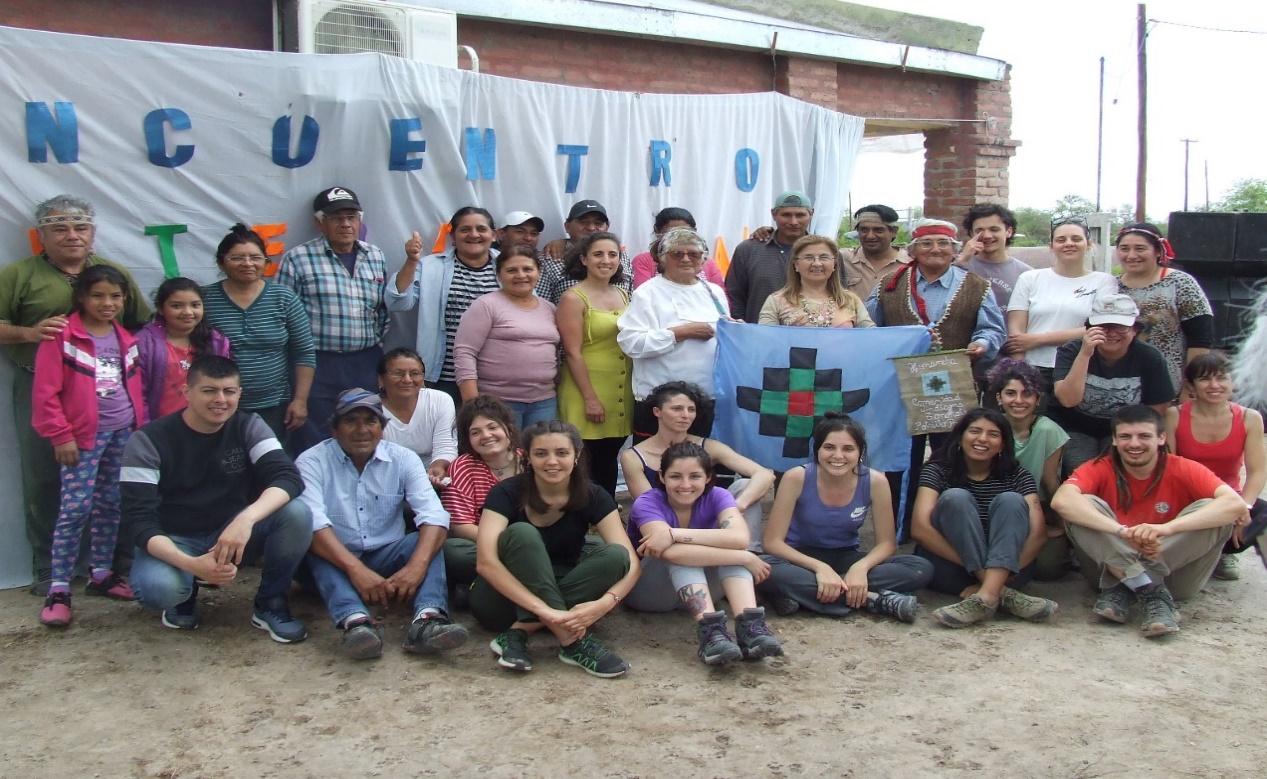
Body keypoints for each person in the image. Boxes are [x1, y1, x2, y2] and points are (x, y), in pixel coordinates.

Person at [0, 194, 149, 594]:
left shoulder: (112, 274)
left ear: (92, 232)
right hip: (41, 385)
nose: (72, 235)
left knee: (114, 486)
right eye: (60, 228)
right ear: (41, 235)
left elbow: (141, 324)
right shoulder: (19, 275)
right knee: (44, 477)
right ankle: (50, 571)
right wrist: (28, 333)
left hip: (110, 394)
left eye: (81, 227)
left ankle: (111, 566)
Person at [123, 356, 313, 642]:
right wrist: (192, 565)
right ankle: (184, 593)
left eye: (229, 391)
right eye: (209, 391)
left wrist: (246, 519)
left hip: (231, 534)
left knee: (297, 513)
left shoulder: (248, 425)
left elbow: (288, 477)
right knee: (160, 589)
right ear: (187, 392)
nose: (220, 400)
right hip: (174, 538)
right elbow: (138, 521)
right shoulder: (148, 440)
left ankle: (271, 602)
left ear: (239, 394)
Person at [298, 388, 468, 660]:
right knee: (315, 544)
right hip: (336, 559)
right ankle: (355, 622)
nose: (362, 430)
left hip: (386, 554)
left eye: (371, 421)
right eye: (351, 421)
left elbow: (434, 515)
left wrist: (416, 566)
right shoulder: (311, 461)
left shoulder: (404, 459)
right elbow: (314, 524)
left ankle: (427, 620)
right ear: (334, 429)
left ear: (382, 427)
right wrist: (355, 570)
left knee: (427, 541)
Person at [1052, 405, 1245, 637]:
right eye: (1125, 436)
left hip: (1172, 577)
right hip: (1108, 570)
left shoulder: (1183, 467)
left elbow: (1234, 504)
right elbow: (1061, 500)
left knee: (1213, 511)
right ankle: (1150, 591)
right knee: (1082, 506)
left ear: (1161, 438)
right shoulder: (1100, 467)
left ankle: (1131, 583)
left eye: (1144, 436)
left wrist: (1166, 529)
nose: (1134, 444)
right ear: (1114, 440)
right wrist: (1122, 532)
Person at [866, 218, 1007, 532]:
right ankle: (899, 527)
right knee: (902, 457)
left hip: (953, 386)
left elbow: (993, 330)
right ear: (913, 250)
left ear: (955, 250)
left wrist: (982, 344)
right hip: (900, 387)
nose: (936, 249)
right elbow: (869, 329)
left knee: (952, 454)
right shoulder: (889, 284)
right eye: (927, 243)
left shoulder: (976, 286)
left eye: (943, 243)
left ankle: (945, 526)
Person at [471, 421, 639, 678]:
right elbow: (486, 563)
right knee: (522, 533)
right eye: (541, 453)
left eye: (561, 453)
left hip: (563, 587)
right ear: (527, 457)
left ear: (576, 455)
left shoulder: (593, 495)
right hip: (502, 600)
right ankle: (572, 642)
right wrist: (544, 611)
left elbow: (633, 564)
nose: (552, 461)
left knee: (616, 556)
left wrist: (604, 604)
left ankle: (519, 631)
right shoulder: (505, 492)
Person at [32, 266, 148, 626]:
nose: (107, 303)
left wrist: (138, 429)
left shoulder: (125, 338)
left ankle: (101, 573)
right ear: (81, 297)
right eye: (97, 295)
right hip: (81, 438)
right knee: (75, 508)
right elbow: (45, 393)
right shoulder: (62, 337)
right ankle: (59, 588)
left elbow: (135, 388)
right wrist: (61, 434)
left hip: (122, 433)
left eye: (115, 296)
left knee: (111, 502)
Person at [759, 413, 933, 621]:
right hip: (799, 559)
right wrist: (820, 568)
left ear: (860, 452)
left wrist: (860, 568)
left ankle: (803, 594)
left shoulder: (876, 482)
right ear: (817, 450)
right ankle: (871, 599)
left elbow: (887, 544)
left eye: (848, 449)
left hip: (845, 557)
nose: (838, 456)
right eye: (829, 447)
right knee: (763, 567)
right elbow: (772, 543)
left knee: (920, 568)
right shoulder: (796, 477)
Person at [625, 442, 783, 664]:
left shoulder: (718, 496)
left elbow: (739, 539)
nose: (685, 485)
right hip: (650, 591)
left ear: (708, 477)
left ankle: (750, 627)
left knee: (721, 550)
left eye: (695, 476)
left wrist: (673, 533)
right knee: (684, 555)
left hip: (700, 588)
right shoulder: (648, 502)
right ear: (661, 477)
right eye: (675, 476)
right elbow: (670, 554)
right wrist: (745, 557)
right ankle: (710, 632)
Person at [911, 408, 1057, 628]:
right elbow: (920, 529)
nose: (982, 439)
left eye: (993, 434)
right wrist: (987, 576)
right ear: (960, 437)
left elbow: (1037, 534)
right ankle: (998, 593)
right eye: (975, 431)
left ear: (1003, 444)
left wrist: (1000, 573)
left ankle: (985, 596)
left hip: (1010, 567)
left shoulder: (1018, 475)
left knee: (1011, 500)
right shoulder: (937, 470)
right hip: (951, 565)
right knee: (956, 498)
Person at [276, 187, 389, 451]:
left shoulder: (375, 256)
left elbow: (383, 311)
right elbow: (283, 316)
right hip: (316, 363)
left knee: (364, 429)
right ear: (320, 223)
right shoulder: (298, 258)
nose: (346, 224)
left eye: (351, 217)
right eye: (337, 218)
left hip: (365, 360)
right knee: (314, 433)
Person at [619, 381, 774, 550]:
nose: (685, 415)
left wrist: (738, 506)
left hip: (707, 521)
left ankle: (750, 550)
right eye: (677, 409)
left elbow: (764, 474)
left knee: (744, 485)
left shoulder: (709, 446)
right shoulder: (633, 457)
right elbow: (649, 504)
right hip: (663, 528)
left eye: (691, 409)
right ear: (657, 411)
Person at [203, 224, 316, 442]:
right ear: (221, 262)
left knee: (270, 459)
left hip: (275, 405)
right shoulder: (205, 299)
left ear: (266, 262)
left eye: (255, 257)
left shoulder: (283, 298)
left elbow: (304, 352)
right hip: (218, 405)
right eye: (237, 258)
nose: (247, 264)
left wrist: (300, 400)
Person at [617, 226, 729, 438]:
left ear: (703, 259)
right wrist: (680, 333)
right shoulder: (647, 293)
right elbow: (631, 343)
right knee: (658, 458)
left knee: (699, 457)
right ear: (662, 259)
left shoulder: (714, 292)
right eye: (677, 254)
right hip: (661, 401)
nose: (686, 259)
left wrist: (735, 330)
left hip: (705, 399)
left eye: (693, 254)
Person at [1164, 352, 1266, 582]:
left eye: (1221, 378)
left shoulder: (1250, 418)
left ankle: (1223, 553)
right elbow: (1168, 466)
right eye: (1205, 379)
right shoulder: (1174, 416)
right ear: (1191, 386)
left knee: (1262, 515)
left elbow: (1257, 472)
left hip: (1229, 497)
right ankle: (1189, 556)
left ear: (1233, 381)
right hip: (1186, 497)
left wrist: (1244, 506)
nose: (1214, 385)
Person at [1050, 291, 1174, 474]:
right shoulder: (1072, 350)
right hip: (1076, 427)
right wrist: (1085, 354)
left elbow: (1157, 409)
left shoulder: (1150, 357)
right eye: (1103, 327)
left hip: (1126, 429)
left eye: (1120, 327)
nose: (1111, 333)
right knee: (1083, 471)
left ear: (1135, 330)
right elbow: (1068, 400)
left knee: (1119, 470)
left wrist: (1131, 437)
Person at [388, 207, 500, 407]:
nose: (474, 234)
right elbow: (397, 303)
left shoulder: (509, 265)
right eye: (465, 229)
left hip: (497, 376)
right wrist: (411, 261)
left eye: (481, 229)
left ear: (494, 235)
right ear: (453, 237)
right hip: (444, 377)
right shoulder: (430, 266)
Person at [556, 232, 634, 497]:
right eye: (598, 254)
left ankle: (606, 511)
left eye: (612, 255)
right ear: (584, 259)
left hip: (619, 389)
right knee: (586, 461)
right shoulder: (573, 298)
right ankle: (584, 512)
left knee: (609, 457)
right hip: (586, 388)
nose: (606, 260)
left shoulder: (623, 293)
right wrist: (590, 398)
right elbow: (572, 352)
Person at [454, 244, 560, 429]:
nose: (521, 275)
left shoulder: (550, 308)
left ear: (539, 272)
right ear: (499, 275)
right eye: (512, 270)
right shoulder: (486, 305)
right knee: (505, 449)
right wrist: (473, 405)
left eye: (527, 269)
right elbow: (464, 352)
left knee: (541, 448)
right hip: (497, 402)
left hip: (544, 402)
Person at [1005, 217, 1116, 385]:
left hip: (1080, 367)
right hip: (1033, 369)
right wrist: (1020, 372)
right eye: (1061, 240)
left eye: (1076, 239)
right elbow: (1016, 334)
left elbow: (1099, 329)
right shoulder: (1029, 278)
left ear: (1089, 244)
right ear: (1051, 246)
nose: (1069, 243)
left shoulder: (1104, 281)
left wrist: (1038, 339)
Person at [986, 360, 1070, 580]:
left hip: (1037, 508)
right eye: (1010, 393)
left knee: (1049, 569)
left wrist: (1061, 526)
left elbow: (1050, 481)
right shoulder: (989, 429)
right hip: (995, 505)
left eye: (1027, 394)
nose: (1018, 401)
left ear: (1037, 399)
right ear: (999, 398)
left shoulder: (1048, 430)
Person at [1114, 222, 1214, 393]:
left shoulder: (1180, 282)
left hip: (1170, 385)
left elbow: (1200, 338)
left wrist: (1190, 387)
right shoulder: (1112, 286)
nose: (1131, 255)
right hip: (1120, 386)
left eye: (1140, 248)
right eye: (1124, 249)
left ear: (1158, 251)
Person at [441, 395, 521, 589]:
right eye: (475, 432)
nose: (486, 435)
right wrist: (511, 545)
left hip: (534, 543)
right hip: (484, 544)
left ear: (509, 428)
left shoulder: (529, 461)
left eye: (493, 427)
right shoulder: (462, 466)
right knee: (454, 551)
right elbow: (460, 526)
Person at [136, 277, 232, 420]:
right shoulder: (145, 343)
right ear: (161, 309)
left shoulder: (215, 342)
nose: (188, 312)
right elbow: (138, 392)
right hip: (161, 424)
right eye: (176, 306)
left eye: (195, 305)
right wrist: (146, 425)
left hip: (206, 423)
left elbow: (225, 384)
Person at [726, 190, 818, 323]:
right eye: (786, 215)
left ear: (811, 214)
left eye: (800, 215)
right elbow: (734, 296)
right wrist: (740, 328)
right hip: (759, 331)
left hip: (810, 333)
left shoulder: (824, 253)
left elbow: (839, 294)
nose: (793, 221)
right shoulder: (749, 250)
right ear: (774, 214)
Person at [377, 347, 457, 487]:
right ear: (381, 379)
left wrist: (437, 467)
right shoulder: (371, 409)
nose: (407, 380)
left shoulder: (441, 400)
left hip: (429, 477)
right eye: (398, 374)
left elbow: (446, 446)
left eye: (414, 374)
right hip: (385, 479)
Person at [758, 234, 875, 328]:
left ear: (834, 264)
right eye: (809, 257)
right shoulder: (777, 301)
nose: (817, 263)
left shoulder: (850, 300)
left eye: (824, 257)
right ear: (796, 264)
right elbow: (765, 340)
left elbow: (871, 337)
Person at [536, 200, 632, 304]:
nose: (591, 228)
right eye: (583, 222)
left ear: (606, 228)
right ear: (567, 226)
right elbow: (540, 304)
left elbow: (630, 295)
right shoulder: (550, 257)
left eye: (598, 223)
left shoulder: (621, 255)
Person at [956, 203, 1033, 309]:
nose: (987, 236)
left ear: (1009, 231)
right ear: (971, 233)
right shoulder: (959, 267)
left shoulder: (1027, 274)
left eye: (994, 229)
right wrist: (960, 263)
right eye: (979, 231)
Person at [630, 207, 722, 289]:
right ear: (658, 233)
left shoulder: (709, 264)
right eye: (671, 232)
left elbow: (721, 298)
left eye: (684, 232)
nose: (678, 237)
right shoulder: (643, 262)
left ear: (694, 233)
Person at [842, 204, 907, 300]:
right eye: (864, 230)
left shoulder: (910, 263)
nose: (870, 236)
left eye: (878, 230)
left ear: (893, 231)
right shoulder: (843, 259)